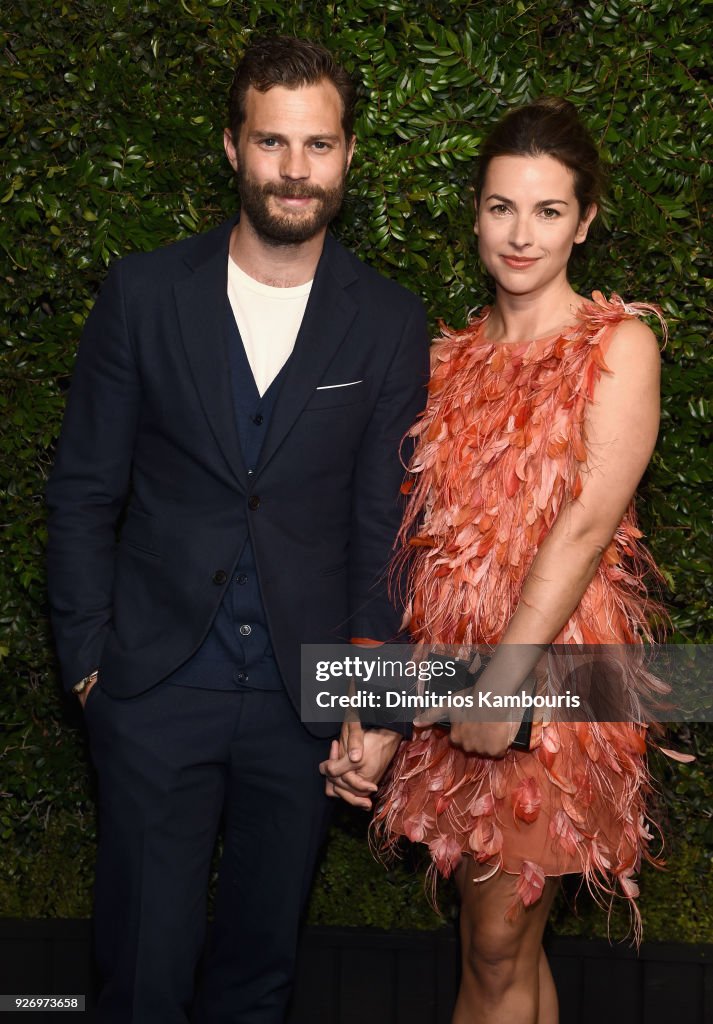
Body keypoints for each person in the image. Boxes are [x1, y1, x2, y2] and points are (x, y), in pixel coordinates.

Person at [46, 35, 428, 1023]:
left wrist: (376, 701)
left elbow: (381, 521)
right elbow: (85, 488)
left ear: (346, 155)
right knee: (141, 976)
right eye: (271, 142)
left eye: (316, 144)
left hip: (302, 709)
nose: (293, 169)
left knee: (259, 980)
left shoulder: (386, 322)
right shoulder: (144, 295)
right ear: (231, 147)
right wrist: (89, 661)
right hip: (154, 685)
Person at [323, 97, 675, 1024]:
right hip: (449, 665)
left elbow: (586, 524)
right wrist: (385, 699)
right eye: (501, 208)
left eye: (549, 211)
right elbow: (398, 546)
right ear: (475, 214)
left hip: (553, 671)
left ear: (585, 222)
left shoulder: (617, 348)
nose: (521, 236)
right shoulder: (442, 357)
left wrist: (505, 679)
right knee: (498, 947)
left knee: (492, 941)